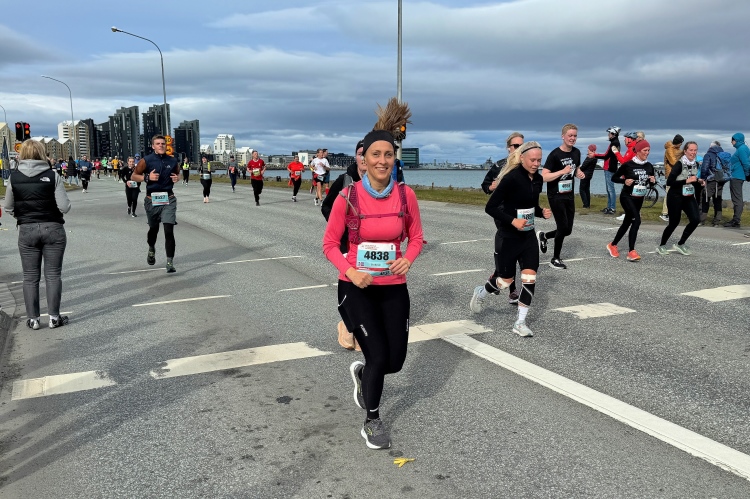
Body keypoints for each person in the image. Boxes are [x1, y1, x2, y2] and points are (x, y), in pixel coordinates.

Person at [324, 124, 423, 450]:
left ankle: (363, 375)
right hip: (357, 288)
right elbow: (329, 245)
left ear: (395, 159)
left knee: (394, 362)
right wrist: (351, 272)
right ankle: (372, 420)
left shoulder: (406, 195)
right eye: (375, 154)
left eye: (388, 155)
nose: (382, 160)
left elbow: (416, 238)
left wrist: (408, 259)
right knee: (378, 355)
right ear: (363, 160)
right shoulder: (348, 197)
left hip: (393, 286)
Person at [470, 141, 552, 337]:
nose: (536, 164)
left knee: (529, 278)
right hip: (508, 236)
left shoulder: (538, 179)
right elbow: (490, 207)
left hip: (528, 237)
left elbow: (530, 205)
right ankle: (482, 292)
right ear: (522, 158)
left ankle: (520, 322)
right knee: (505, 281)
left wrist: (541, 212)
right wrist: (513, 221)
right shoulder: (511, 178)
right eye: (533, 160)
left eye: (539, 160)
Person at [3, 139, 71, 329]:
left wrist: (22, 215)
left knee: (30, 276)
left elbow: (8, 207)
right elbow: (64, 207)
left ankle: (33, 319)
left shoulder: (14, 178)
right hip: (53, 227)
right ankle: (54, 317)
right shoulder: (52, 175)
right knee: (53, 275)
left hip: (27, 229)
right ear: (42, 153)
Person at [322, 139, 366, 351]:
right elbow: (326, 207)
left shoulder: (383, 181)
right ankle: (348, 326)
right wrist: (341, 226)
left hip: (371, 244)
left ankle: (362, 327)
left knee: (369, 285)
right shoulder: (345, 180)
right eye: (360, 153)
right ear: (355, 157)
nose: (364, 157)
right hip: (348, 242)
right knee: (352, 284)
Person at [537, 124, 584, 270]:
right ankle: (555, 259)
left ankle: (544, 236)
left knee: (567, 230)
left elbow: (576, 168)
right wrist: (561, 172)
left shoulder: (576, 152)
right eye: (570, 135)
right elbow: (544, 177)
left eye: (575, 136)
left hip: (569, 195)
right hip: (555, 195)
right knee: (562, 227)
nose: (573, 138)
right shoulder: (555, 155)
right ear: (563, 136)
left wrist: (579, 173)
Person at [131, 135, 180, 273]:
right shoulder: (146, 160)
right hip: (151, 200)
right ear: (153, 146)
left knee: (168, 230)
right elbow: (134, 176)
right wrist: (147, 177)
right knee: (153, 230)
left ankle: (169, 262)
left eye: (163, 143)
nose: (161, 145)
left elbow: (178, 174)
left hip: (169, 199)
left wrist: (177, 178)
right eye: (158, 143)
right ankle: (151, 248)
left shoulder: (172, 160)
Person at [605, 140, 655, 261]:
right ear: (637, 151)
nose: (647, 153)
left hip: (639, 198)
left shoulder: (649, 166)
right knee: (636, 220)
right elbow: (614, 178)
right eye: (645, 150)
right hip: (627, 197)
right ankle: (631, 251)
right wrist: (624, 181)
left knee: (627, 222)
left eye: (648, 150)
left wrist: (653, 181)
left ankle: (613, 245)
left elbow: (650, 183)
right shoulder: (628, 165)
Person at [657, 141, 704, 255]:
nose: (693, 152)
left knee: (695, 220)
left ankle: (680, 244)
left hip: (688, 196)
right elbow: (669, 182)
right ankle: (662, 245)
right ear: (685, 151)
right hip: (675, 196)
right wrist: (686, 181)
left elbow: (693, 181)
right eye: (691, 150)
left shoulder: (696, 164)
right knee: (674, 223)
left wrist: (700, 182)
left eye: (695, 150)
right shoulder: (679, 164)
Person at [589, 126, 620, 214]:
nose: (608, 135)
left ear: (613, 134)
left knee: (610, 189)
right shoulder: (615, 143)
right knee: (609, 189)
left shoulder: (614, 143)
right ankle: (609, 207)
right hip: (609, 167)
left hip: (610, 168)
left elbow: (606, 155)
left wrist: (595, 155)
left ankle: (612, 208)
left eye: (609, 133)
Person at [724, 133, 750, 228]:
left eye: (732, 140)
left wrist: (748, 175)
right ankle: (736, 220)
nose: (731, 142)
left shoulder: (742, 149)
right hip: (737, 176)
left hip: (737, 176)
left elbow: (746, 163)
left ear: (737, 140)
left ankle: (736, 221)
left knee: (737, 199)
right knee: (737, 198)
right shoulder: (742, 148)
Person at [699, 141, 727, 226]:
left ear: (711, 147)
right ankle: (717, 221)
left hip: (711, 179)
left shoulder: (708, 155)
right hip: (721, 180)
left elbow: (705, 168)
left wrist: (703, 178)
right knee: (718, 199)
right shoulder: (723, 154)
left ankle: (702, 219)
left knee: (705, 198)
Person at [661, 134, 684, 222]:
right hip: (670, 173)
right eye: (681, 143)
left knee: (677, 193)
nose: (681, 145)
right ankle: (665, 213)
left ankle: (674, 211)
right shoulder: (669, 150)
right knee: (669, 193)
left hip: (677, 174)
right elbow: (673, 162)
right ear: (678, 142)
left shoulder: (678, 150)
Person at [579, 145, 598, 209]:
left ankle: (585, 204)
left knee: (582, 190)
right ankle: (588, 204)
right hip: (589, 175)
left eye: (588, 149)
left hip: (585, 175)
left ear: (591, 150)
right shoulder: (595, 157)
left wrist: (578, 170)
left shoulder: (590, 157)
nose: (587, 150)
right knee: (587, 189)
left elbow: (584, 166)